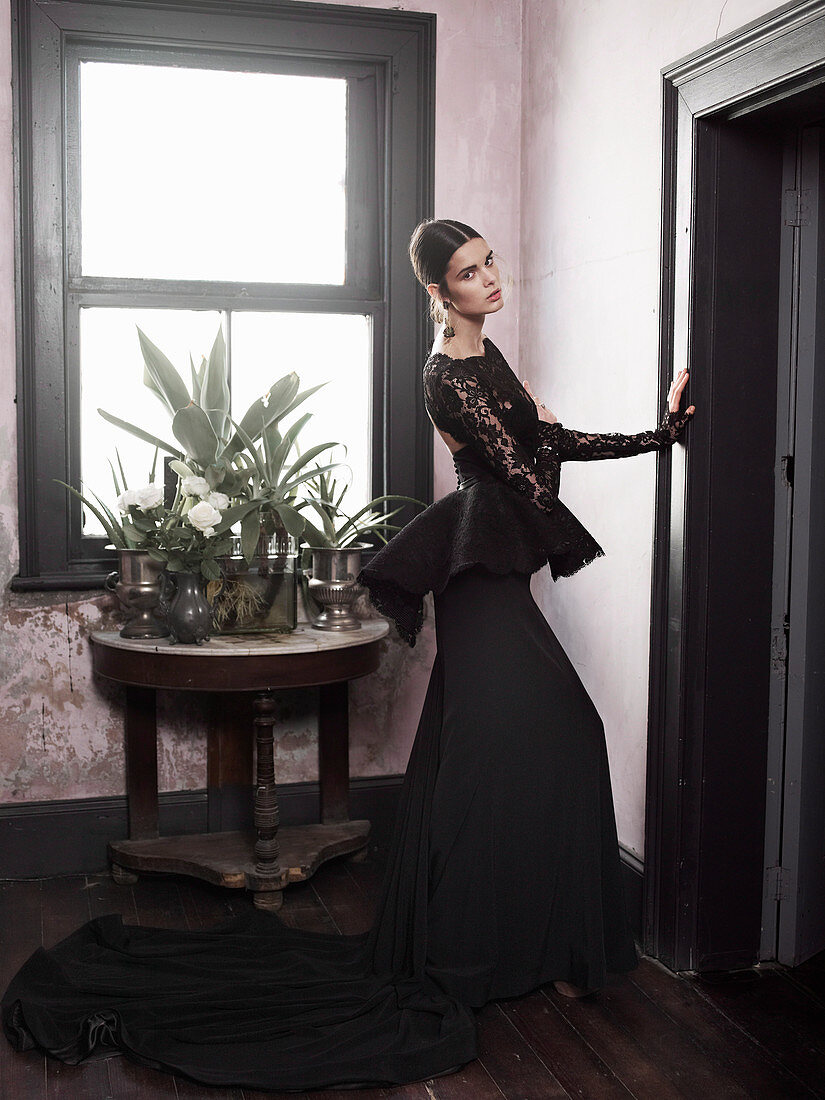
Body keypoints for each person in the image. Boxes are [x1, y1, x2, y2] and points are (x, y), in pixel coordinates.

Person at [2, 219, 695, 1092]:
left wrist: (658, 435)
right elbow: (528, 479)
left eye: (490, 264)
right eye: (468, 273)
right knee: (537, 743)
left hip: (495, 582)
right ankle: (480, 955)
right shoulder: (447, 376)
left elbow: (542, 452)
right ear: (438, 292)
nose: (490, 279)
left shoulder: (487, 361)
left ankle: (527, 944)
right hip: (479, 590)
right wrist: (546, 439)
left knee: (521, 751)